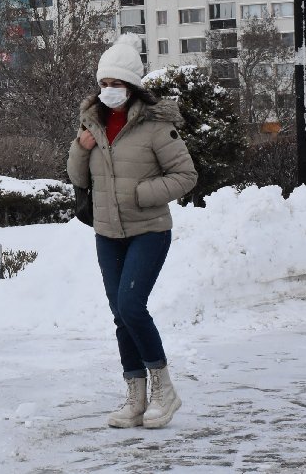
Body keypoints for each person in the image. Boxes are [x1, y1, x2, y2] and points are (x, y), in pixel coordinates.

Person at [67, 33, 198, 429]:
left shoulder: (156, 126)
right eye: (104, 84)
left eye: (117, 84)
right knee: (119, 315)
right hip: (107, 232)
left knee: (131, 306)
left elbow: (186, 175)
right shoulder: (91, 125)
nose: (109, 91)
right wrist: (81, 146)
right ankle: (135, 396)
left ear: (132, 87)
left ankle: (164, 390)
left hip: (149, 230)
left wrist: (144, 193)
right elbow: (78, 178)